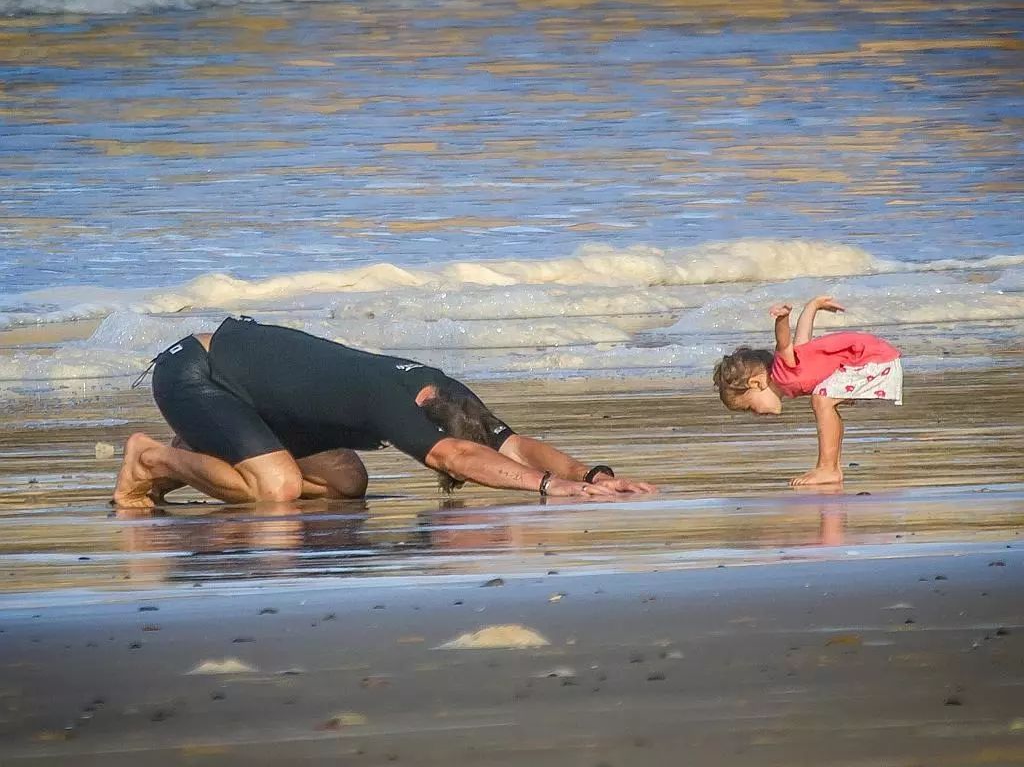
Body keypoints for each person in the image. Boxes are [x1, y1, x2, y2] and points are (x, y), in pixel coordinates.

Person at [113, 316, 657, 507]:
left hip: (257, 394)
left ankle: (206, 450)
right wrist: (546, 489)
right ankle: (152, 459)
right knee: (275, 491)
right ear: (425, 409)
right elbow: (458, 457)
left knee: (346, 483)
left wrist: (591, 476)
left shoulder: (444, 392)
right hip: (197, 370)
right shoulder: (400, 404)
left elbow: (513, 445)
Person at [712, 296, 902, 487]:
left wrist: (782, 318)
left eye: (750, 407)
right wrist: (813, 306)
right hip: (875, 357)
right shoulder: (795, 364)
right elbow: (803, 336)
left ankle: (827, 468)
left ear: (756, 383)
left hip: (873, 359)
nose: (755, 413)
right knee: (824, 401)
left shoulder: (783, 370)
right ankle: (832, 467)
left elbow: (784, 342)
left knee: (821, 400)